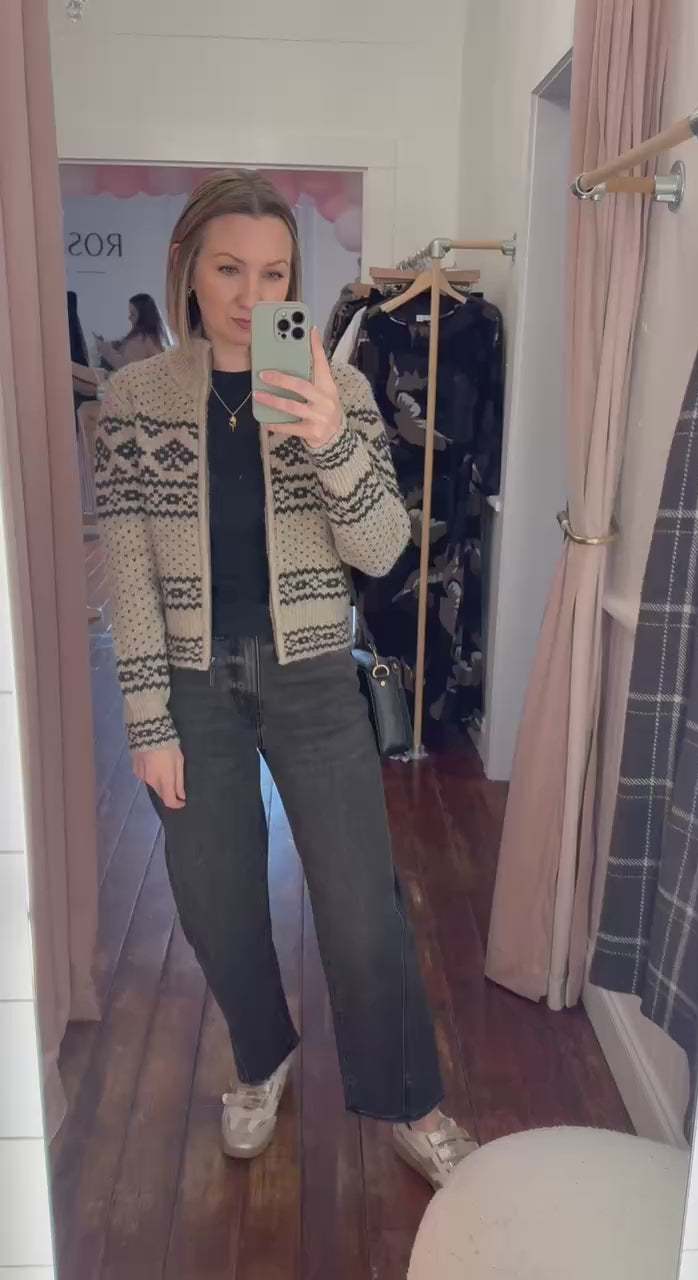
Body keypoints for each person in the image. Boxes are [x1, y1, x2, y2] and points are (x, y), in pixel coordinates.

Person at [95, 169, 477, 1191]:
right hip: (193, 689)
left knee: (361, 910)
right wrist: (146, 718)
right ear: (187, 267)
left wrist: (328, 438)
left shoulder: (335, 390)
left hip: (311, 678)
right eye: (230, 268)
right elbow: (127, 570)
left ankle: (413, 1101)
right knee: (215, 904)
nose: (252, 295)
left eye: (274, 274)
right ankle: (261, 1058)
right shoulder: (134, 400)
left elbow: (384, 547)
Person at [95, 291, 170, 369]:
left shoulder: (143, 339)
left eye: (133, 314)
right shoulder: (150, 337)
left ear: (143, 316)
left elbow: (127, 368)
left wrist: (106, 350)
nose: (129, 317)